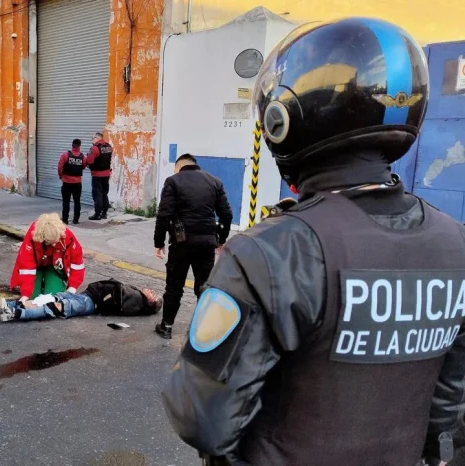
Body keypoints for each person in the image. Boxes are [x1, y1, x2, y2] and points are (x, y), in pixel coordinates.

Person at [161, 18, 465, 466]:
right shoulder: (455, 243)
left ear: (285, 117)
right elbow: (445, 408)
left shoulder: (271, 252)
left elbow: (201, 418)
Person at [153, 153, 233, 339]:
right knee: (204, 285)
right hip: (207, 241)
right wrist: (221, 239)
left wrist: (159, 242)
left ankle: (166, 326)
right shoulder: (215, 182)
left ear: (179, 167)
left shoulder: (173, 181)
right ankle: (202, 328)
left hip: (181, 242)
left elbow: (164, 214)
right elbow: (226, 215)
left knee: (174, 285)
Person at [0, 279, 162, 322]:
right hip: (88, 296)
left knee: (58, 306)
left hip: (90, 302)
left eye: (153, 295)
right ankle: (12, 305)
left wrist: (107, 295)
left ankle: (15, 313)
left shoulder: (138, 300)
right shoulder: (137, 295)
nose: (151, 291)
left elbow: (117, 300)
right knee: (55, 297)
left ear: (150, 301)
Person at [9, 213, 86, 303]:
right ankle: (38, 286)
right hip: (36, 268)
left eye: (56, 241)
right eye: (50, 243)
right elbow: (27, 268)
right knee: (32, 299)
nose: (54, 245)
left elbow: (77, 264)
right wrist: (25, 295)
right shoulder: (32, 239)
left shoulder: (67, 237)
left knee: (52, 299)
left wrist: (72, 287)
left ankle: (49, 283)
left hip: (54, 268)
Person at [85, 132, 113, 220]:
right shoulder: (109, 146)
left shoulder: (95, 148)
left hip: (97, 174)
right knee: (104, 193)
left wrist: (86, 160)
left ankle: (97, 214)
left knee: (97, 194)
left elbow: (89, 161)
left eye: (92, 138)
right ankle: (104, 213)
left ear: (97, 138)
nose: (92, 140)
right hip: (107, 174)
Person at [58, 139, 86, 225]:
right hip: (77, 183)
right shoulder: (83, 157)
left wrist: (61, 176)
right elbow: (84, 166)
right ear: (79, 146)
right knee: (77, 201)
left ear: (72, 145)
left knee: (66, 202)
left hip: (66, 182)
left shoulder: (65, 155)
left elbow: (60, 167)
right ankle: (76, 220)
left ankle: (65, 220)